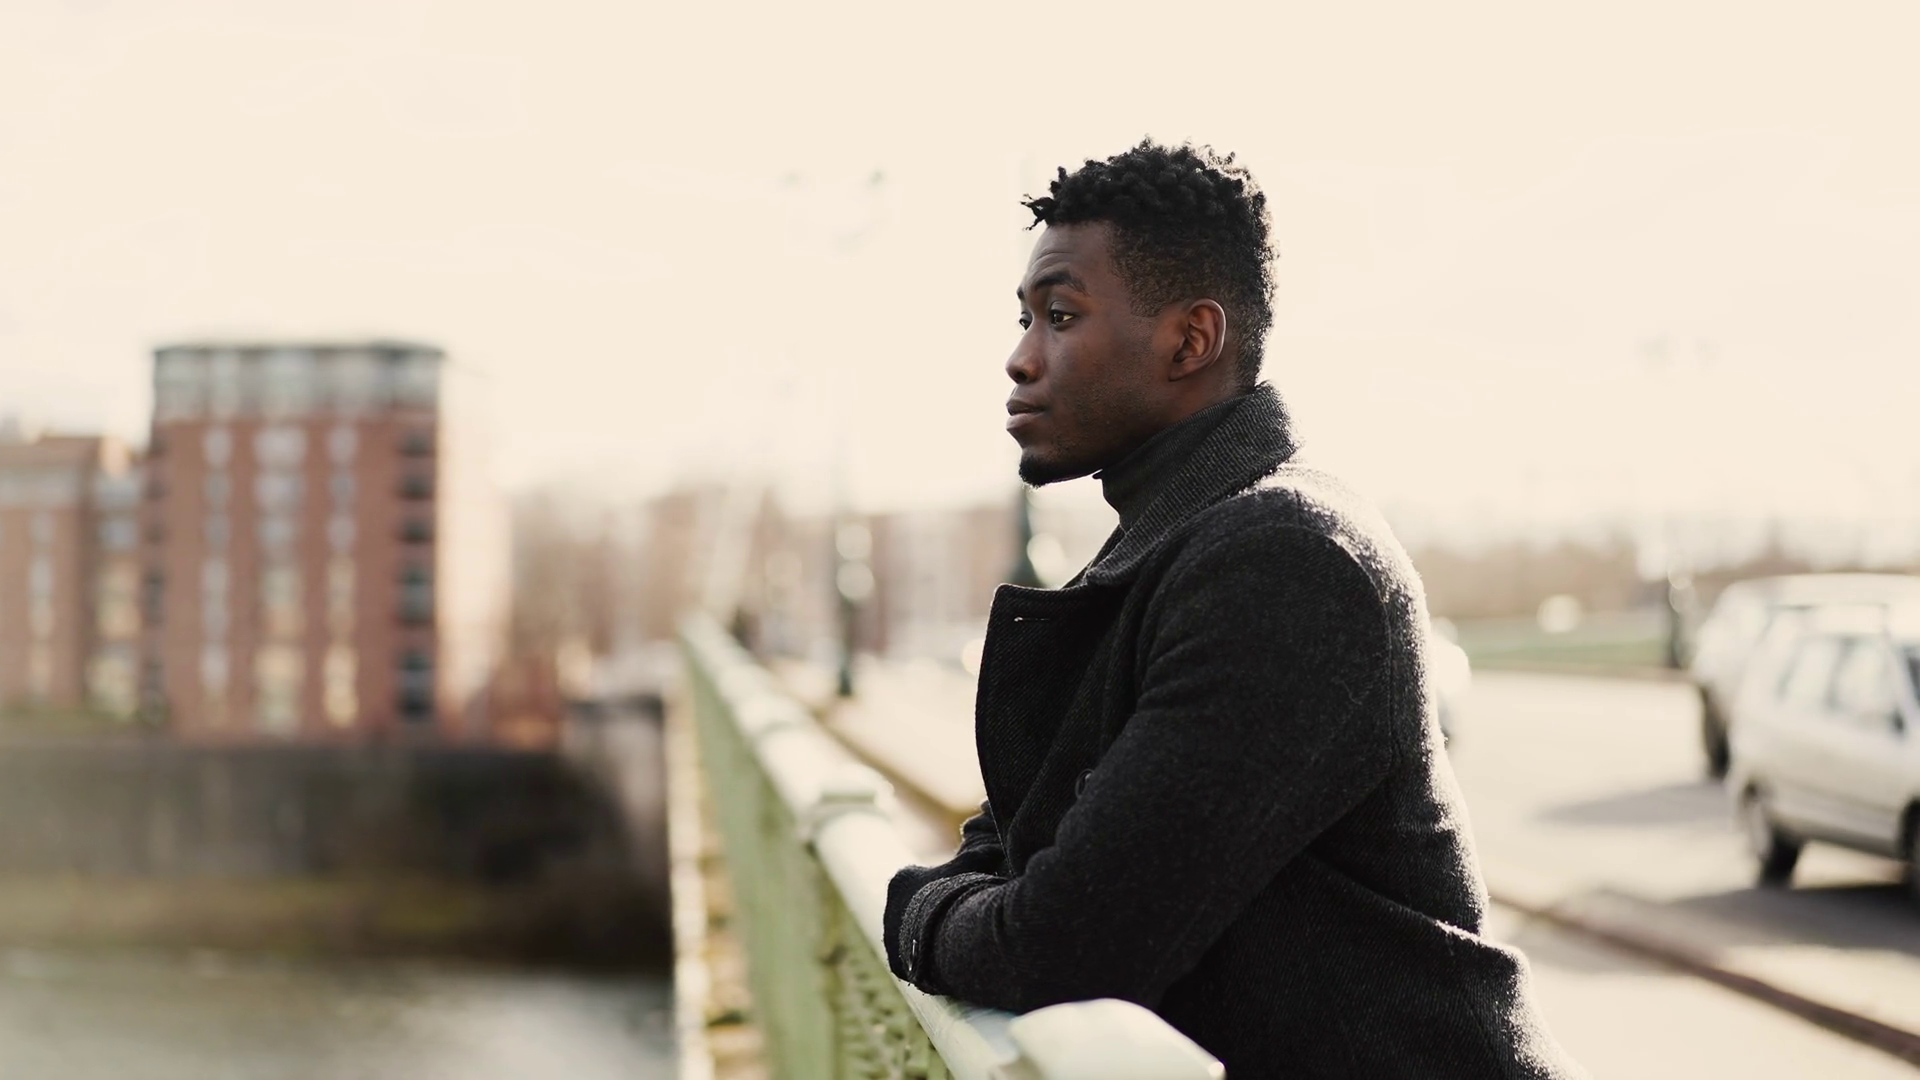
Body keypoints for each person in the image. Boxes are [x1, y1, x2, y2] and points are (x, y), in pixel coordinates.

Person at [881, 140, 1583, 1079]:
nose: (1020, 358)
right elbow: (1015, 849)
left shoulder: (1287, 561)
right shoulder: (1173, 555)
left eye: (1060, 316)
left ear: (1190, 340)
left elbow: (1064, 943)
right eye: (1024, 319)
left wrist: (912, 913)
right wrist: (967, 903)